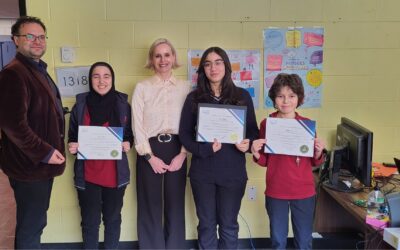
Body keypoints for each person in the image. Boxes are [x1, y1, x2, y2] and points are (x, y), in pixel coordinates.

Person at [179, 47, 259, 249]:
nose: (213, 68)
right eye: (207, 64)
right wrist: (204, 150)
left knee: (229, 226)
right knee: (206, 225)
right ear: (203, 69)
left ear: (226, 66)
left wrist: (247, 144)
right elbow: (184, 135)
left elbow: (253, 132)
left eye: (218, 62)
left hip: (233, 173)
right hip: (202, 173)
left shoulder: (242, 96)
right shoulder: (194, 98)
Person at [0, 16, 66, 249]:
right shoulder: (14, 73)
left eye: (41, 36)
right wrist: (45, 152)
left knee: (35, 223)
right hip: (29, 167)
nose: (37, 41)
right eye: (30, 36)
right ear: (16, 40)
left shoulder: (37, 70)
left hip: (39, 166)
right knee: (31, 226)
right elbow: (13, 125)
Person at [250, 73, 326, 250]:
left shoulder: (306, 125)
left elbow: (315, 162)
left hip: (304, 192)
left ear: (299, 98)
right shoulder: (267, 124)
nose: (286, 101)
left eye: (291, 96)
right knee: (277, 240)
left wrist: (319, 151)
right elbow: (264, 161)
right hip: (277, 191)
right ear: (274, 99)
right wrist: (255, 152)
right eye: (280, 96)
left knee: (304, 241)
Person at [131, 38, 190, 249]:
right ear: (152, 60)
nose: (163, 59)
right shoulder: (142, 88)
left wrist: (183, 154)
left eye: (167, 55)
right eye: (158, 55)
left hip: (177, 148)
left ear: (173, 58)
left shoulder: (186, 88)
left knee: (175, 204)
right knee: (150, 204)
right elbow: (137, 125)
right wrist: (148, 157)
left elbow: (191, 123)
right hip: (150, 149)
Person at [67, 62, 133, 249]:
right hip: (88, 175)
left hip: (115, 175)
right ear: (90, 79)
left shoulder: (122, 105)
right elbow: (72, 136)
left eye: (106, 76)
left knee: (112, 220)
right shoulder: (80, 105)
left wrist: (128, 143)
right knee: (90, 222)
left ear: (112, 79)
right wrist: (72, 146)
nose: (101, 81)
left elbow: (129, 135)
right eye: (96, 76)